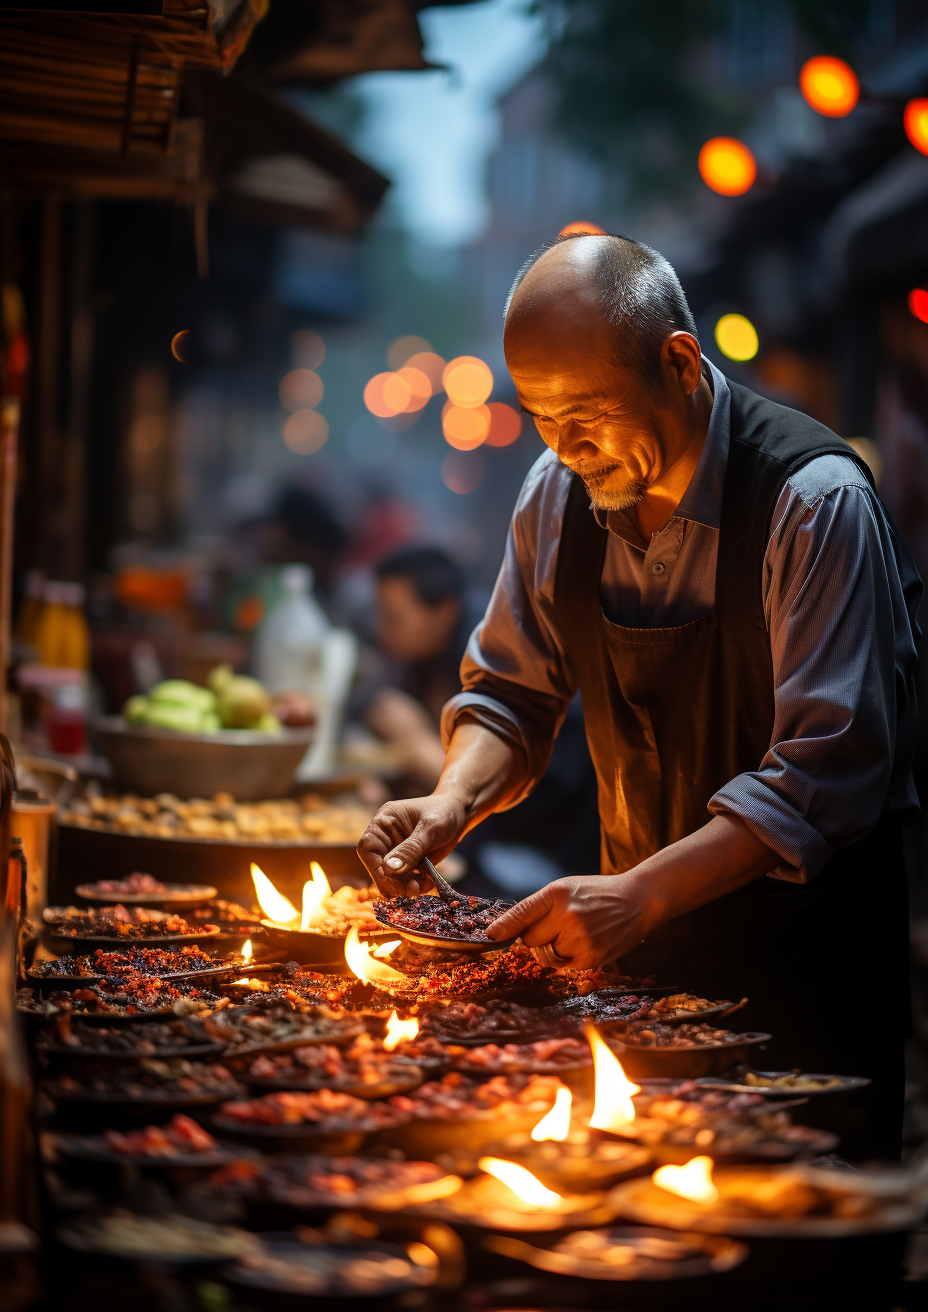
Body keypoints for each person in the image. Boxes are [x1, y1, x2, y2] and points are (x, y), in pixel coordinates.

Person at [358, 233, 921, 1159]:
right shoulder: (556, 493)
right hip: (638, 971)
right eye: (541, 417)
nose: (566, 446)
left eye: (585, 412)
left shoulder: (812, 503)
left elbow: (827, 775)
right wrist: (450, 801)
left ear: (677, 362)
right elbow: (509, 692)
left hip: (807, 975)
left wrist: (639, 895)